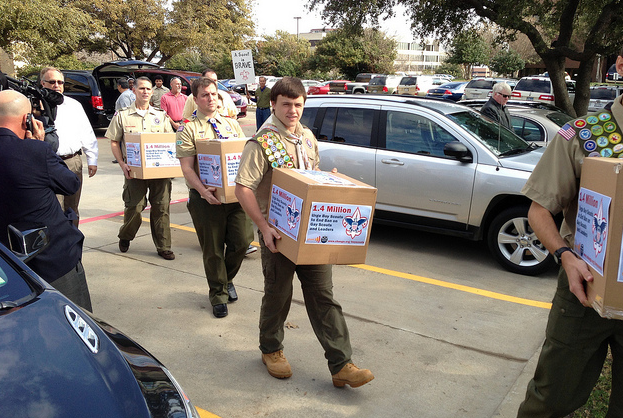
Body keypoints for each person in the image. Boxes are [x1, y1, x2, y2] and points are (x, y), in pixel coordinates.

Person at [235, 77, 374, 388]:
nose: (293, 111)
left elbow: (309, 178)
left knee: (323, 296)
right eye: (286, 104)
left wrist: (329, 179)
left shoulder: (307, 137)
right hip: (278, 233)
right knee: (278, 295)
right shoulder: (261, 143)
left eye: (298, 105)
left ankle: (341, 364)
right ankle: (271, 349)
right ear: (273, 104)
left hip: (311, 234)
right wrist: (263, 228)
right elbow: (243, 188)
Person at [516, 49, 623, 417]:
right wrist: (565, 256)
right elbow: (538, 210)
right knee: (549, 400)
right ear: (620, 65)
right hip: (584, 288)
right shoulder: (584, 135)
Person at [0, 89, 92, 311]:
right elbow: (70, 184)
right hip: (51, 261)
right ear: (27, 119)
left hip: (6, 267)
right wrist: (41, 144)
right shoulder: (35, 151)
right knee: (72, 319)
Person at [176, 77, 251, 318]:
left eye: (214, 94)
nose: (211, 99)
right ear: (195, 99)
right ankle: (218, 294)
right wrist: (203, 191)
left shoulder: (231, 124)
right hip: (205, 198)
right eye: (205, 95)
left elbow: (242, 158)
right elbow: (187, 168)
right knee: (213, 249)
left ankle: (226, 279)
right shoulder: (188, 128)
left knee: (242, 241)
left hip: (235, 196)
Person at [105, 76, 176, 261]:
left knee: (161, 207)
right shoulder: (123, 115)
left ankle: (164, 246)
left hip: (159, 170)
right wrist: (122, 163)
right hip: (134, 170)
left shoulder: (160, 115)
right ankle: (125, 235)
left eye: (148, 89)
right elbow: (114, 141)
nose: (145, 92)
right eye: (142, 88)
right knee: (135, 207)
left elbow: (169, 141)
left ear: (152, 92)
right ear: (134, 90)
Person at [40, 67, 99, 227]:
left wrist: (92, 159)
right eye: (52, 82)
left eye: (60, 82)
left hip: (72, 162)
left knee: (72, 209)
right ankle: (56, 241)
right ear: (42, 83)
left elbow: (86, 132)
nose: (56, 85)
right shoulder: (36, 106)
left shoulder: (74, 105)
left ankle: (73, 239)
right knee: (54, 209)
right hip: (48, 163)